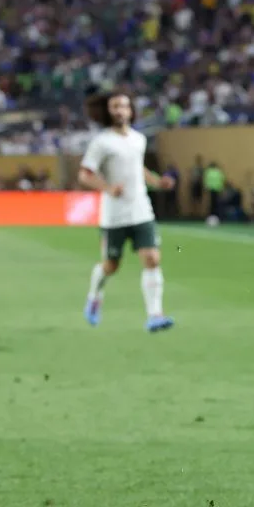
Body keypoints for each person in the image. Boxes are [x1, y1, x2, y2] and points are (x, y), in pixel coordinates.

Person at [78, 90, 175, 332]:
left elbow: (136, 168)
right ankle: (94, 297)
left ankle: (155, 314)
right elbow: (85, 174)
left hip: (141, 210)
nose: (120, 110)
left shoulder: (138, 139)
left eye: (124, 106)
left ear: (131, 110)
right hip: (114, 215)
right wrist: (108, 188)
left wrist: (156, 182)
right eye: (115, 106)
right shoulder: (101, 142)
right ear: (108, 112)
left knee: (152, 259)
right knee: (111, 266)